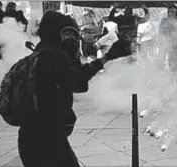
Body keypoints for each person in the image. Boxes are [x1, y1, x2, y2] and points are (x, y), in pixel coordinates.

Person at [17, 11, 130, 167]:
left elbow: (77, 85)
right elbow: (78, 81)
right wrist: (107, 57)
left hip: (30, 137)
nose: (71, 39)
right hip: (47, 138)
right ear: (56, 33)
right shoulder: (53, 56)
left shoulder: (37, 55)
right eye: (67, 33)